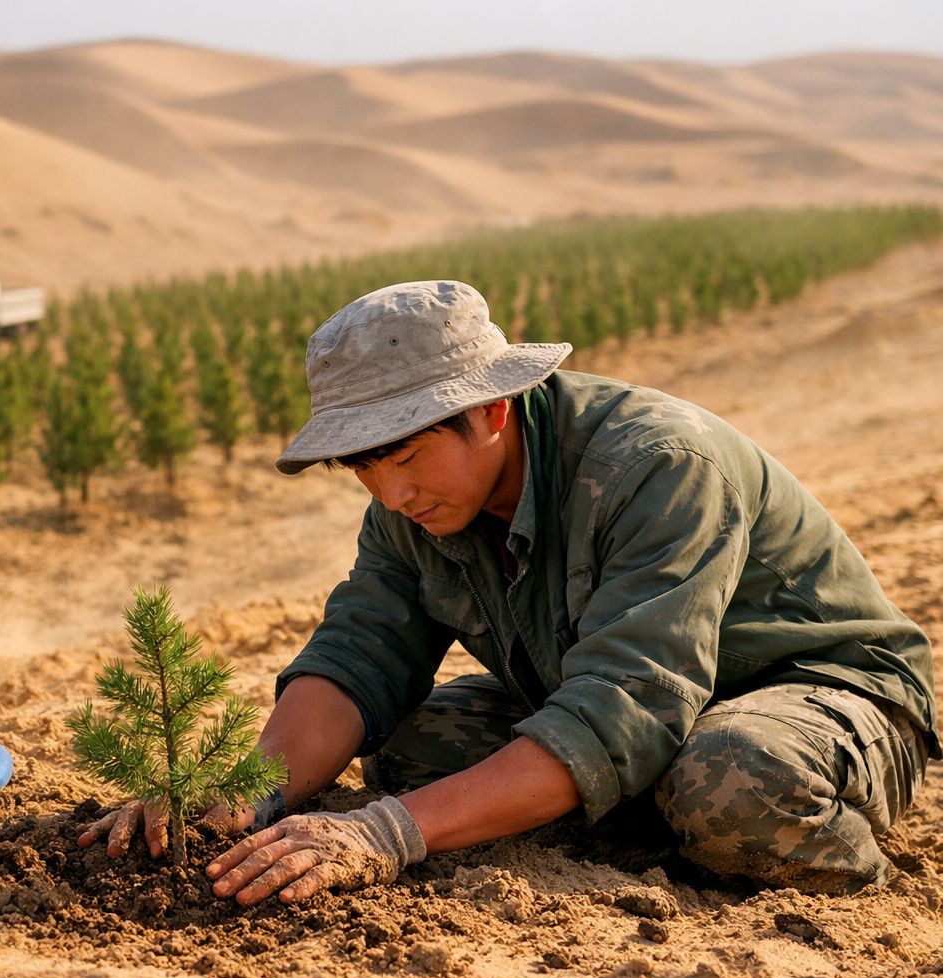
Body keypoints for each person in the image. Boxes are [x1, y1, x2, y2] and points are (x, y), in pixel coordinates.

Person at [78, 279, 938, 904]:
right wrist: (247, 788)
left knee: (730, 781)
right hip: (633, 704)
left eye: (405, 456)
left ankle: (820, 855)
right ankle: (662, 818)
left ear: (491, 411)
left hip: (815, 697)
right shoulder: (413, 507)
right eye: (362, 469)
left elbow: (627, 701)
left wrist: (388, 833)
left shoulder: (657, 465)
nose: (390, 495)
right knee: (410, 749)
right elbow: (361, 652)